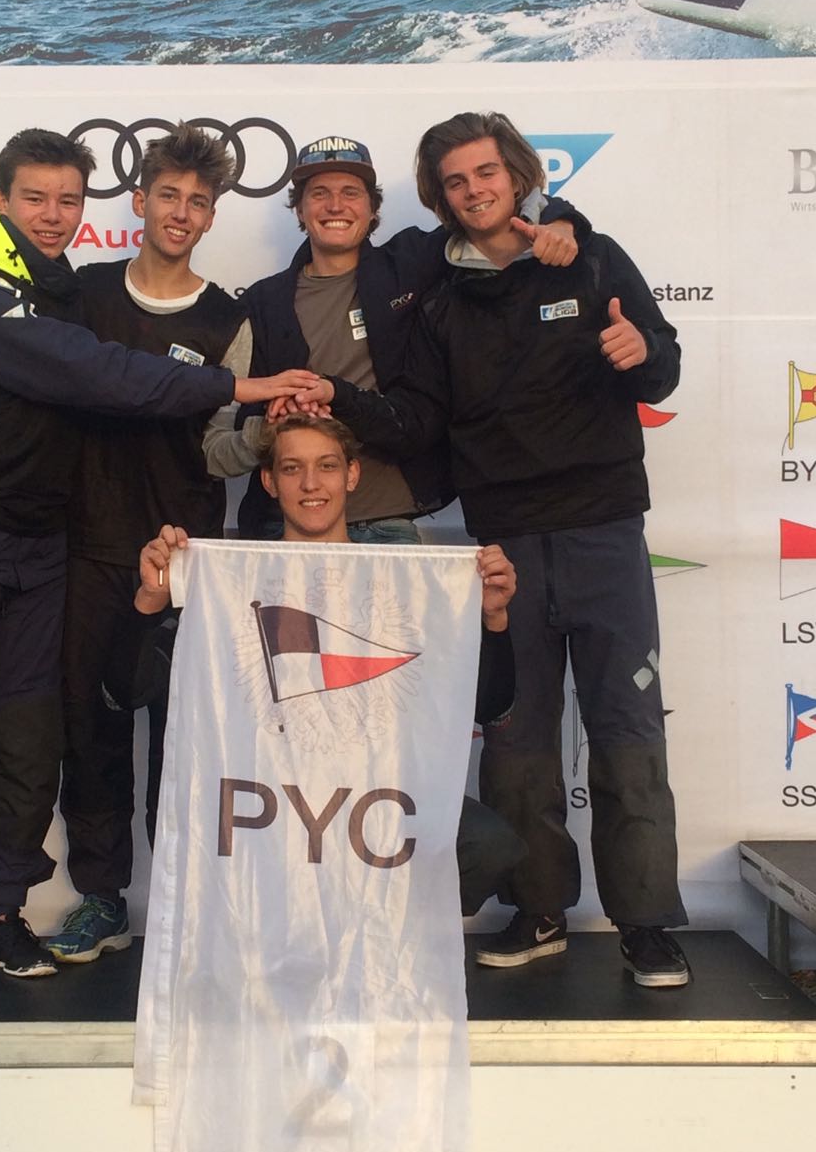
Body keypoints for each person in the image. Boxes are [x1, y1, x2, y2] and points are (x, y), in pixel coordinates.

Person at [0, 128, 316, 996]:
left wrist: (253, 429)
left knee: (31, 743)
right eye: (35, 198)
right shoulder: (1, 294)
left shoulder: (67, 294)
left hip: (85, 550)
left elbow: (204, 441)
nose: (52, 215)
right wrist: (238, 386)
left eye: (65, 201)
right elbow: (94, 372)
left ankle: (3, 917)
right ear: (4, 201)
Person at [292, 112, 690, 987]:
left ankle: (648, 925)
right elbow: (420, 419)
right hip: (502, 538)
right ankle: (537, 909)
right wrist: (338, 402)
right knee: (516, 737)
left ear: (517, 175)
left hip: (603, 528)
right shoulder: (435, 286)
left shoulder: (588, 255)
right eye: (456, 181)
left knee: (626, 729)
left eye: (486, 173)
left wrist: (641, 352)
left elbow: (662, 368)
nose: (474, 191)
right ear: (439, 197)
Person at [138, 412, 549, 961]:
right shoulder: (231, 578)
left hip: (367, 799)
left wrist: (493, 621)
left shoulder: (405, 582)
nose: (311, 484)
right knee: (191, 822)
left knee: (487, 844)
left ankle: (374, 947)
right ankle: (273, 952)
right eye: (292, 469)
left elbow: (491, 706)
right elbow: (125, 691)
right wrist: (148, 604)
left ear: (352, 475)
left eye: (327, 466)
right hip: (270, 799)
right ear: (269, 481)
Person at [48, 123, 250, 964]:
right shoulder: (81, 291)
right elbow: (28, 385)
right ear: (139, 201)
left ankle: (179, 902)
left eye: (198, 202)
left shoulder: (229, 318)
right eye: (168, 195)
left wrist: (267, 438)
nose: (181, 212)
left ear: (211, 217)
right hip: (86, 548)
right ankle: (101, 899)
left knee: (183, 739)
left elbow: (224, 447)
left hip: (187, 557)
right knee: (90, 730)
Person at [204, 135, 584, 543]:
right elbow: (234, 419)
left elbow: (486, 216)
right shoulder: (263, 301)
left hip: (389, 524)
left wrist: (559, 218)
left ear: (373, 209)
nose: (335, 205)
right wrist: (273, 421)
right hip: (286, 525)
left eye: (351, 192)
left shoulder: (412, 263)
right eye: (319, 193)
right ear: (300, 209)